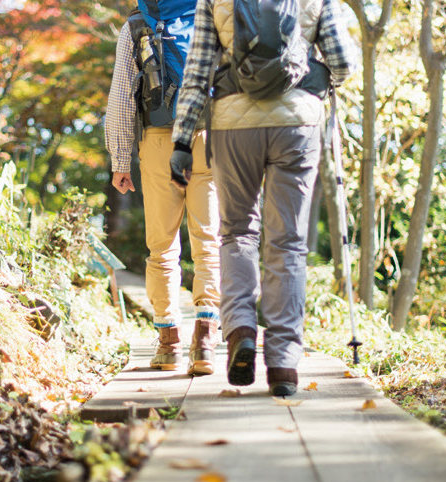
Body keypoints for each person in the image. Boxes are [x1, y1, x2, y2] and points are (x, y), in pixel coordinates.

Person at [170, 0, 356, 395]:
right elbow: (343, 63)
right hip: (297, 125)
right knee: (288, 243)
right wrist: (318, 75)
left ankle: (240, 331)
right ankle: (284, 365)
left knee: (237, 232)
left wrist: (183, 140)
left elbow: (198, 70)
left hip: (233, 125)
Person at [105, 3, 221, 376]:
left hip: (157, 141)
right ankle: (204, 339)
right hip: (207, 137)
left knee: (162, 245)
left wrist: (120, 159)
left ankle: (168, 341)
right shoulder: (213, 14)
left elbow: (122, 97)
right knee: (209, 241)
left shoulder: (136, 24)